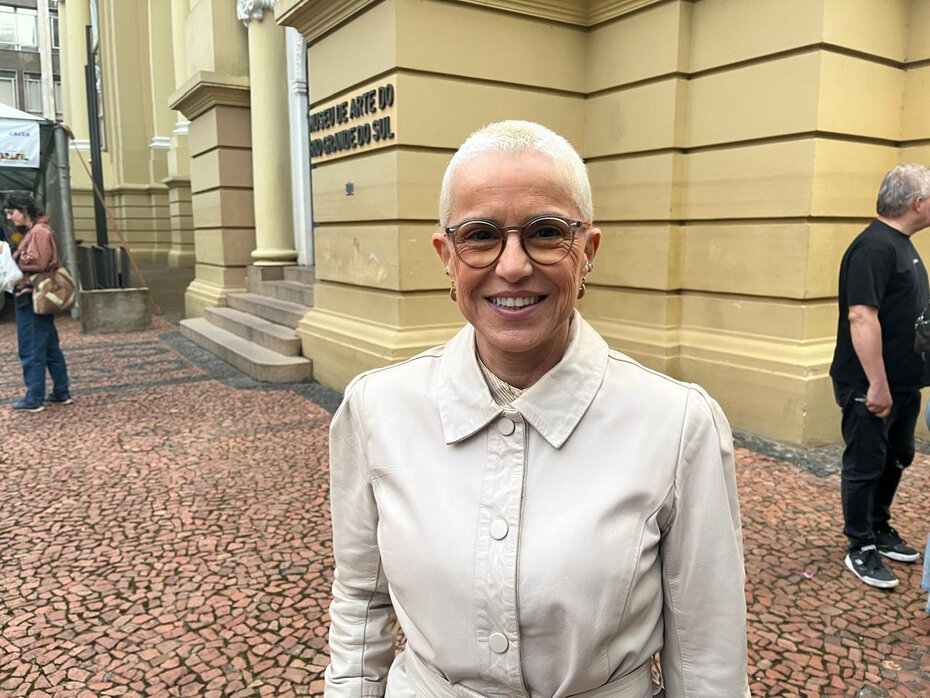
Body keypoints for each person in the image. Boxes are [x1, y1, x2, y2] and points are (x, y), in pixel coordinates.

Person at [324, 121, 749, 697]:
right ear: (446, 256)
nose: (513, 266)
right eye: (480, 236)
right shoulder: (377, 409)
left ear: (588, 251)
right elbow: (360, 599)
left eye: (546, 232)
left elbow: (707, 654)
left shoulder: (677, 425)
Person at [829, 164, 930, 589]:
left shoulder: (901, 244)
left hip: (904, 383)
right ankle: (861, 545)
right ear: (918, 203)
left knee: (896, 456)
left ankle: (878, 526)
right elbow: (861, 317)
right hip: (870, 385)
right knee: (865, 464)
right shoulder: (873, 248)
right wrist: (877, 384)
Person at [6, 192, 73, 412]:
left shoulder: (39, 231)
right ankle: (61, 392)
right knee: (50, 347)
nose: (9, 217)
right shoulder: (35, 230)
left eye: (11, 212)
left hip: (32, 296)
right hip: (35, 296)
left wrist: (11, 257)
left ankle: (34, 398)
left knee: (31, 347)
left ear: (24, 209)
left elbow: (40, 262)